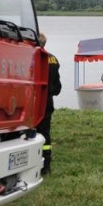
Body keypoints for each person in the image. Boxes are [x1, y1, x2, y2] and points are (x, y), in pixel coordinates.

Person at [37, 33, 62, 176]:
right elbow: (57, 85)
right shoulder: (53, 58)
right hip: (48, 100)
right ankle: (46, 166)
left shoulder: (34, 57)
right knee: (45, 132)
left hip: (34, 99)